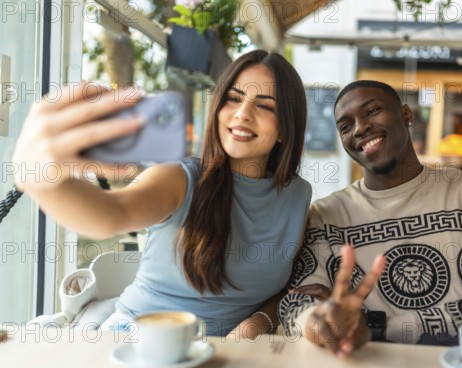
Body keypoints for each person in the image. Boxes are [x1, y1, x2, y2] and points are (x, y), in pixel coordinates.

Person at [13, 50, 312, 338]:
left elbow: (285, 285)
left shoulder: (298, 196)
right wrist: (45, 181)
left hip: (224, 357)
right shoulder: (178, 177)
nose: (243, 113)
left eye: (265, 106)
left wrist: (258, 322)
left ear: (286, 128)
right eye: (233, 99)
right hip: (135, 338)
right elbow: (111, 214)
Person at [278, 80, 462, 357]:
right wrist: (320, 320)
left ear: (406, 114)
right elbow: (295, 304)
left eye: (372, 110)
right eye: (345, 126)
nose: (360, 128)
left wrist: (376, 326)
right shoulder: (326, 216)